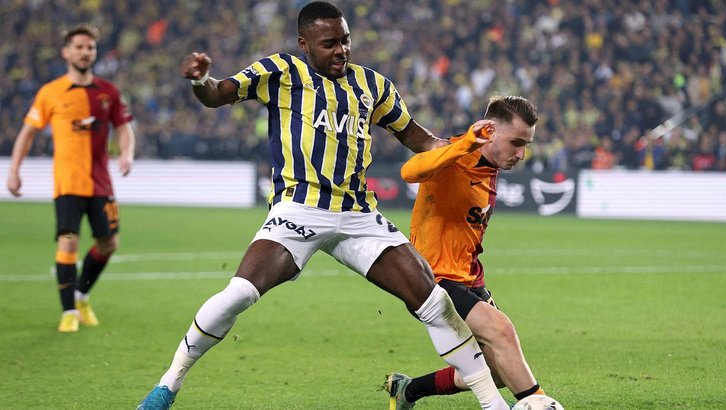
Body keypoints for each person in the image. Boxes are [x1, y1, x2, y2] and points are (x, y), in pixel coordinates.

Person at [138, 2, 508, 409]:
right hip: (298, 209)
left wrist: (466, 142)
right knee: (240, 293)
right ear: (305, 44)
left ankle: (494, 404)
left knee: (433, 300)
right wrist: (200, 80)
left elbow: (421, 140)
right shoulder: (280, 71)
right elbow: (216, 95)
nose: (341, 50)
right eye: (330, 43)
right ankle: (167, 385)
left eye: (345, 41)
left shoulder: (373, 86)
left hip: (357, 215)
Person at [384, 96, 549, 408]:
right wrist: (464, 145)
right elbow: (409, 171)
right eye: (515, 143)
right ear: (490, 131)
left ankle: (408, 390)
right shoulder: (456, 154)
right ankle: (539, 404)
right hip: (431, 278)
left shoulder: (490, 165)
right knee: (502, 332)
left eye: (526, 145)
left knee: (498, 369)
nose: (521, 154)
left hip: (469, 278)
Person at [6, 23, 136, 333]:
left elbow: (123, 127)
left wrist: (127, 153)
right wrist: (13, 170)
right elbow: (27, 133)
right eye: (79, 47)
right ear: (66, 52)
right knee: (68, 242)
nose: (84, 52)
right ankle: (68, 312)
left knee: (109, 243)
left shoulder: (108, 92)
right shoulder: (51, 92)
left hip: (101, 183)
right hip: (67, 183)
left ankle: (81, 296)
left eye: (90, 47)